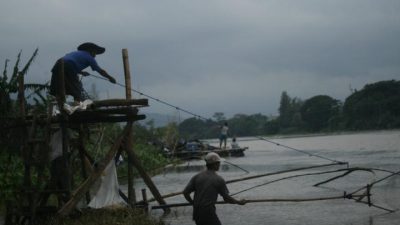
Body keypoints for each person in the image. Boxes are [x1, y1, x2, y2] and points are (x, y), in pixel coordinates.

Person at [183, 152, 246, 225]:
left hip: (196, 212)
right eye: (218, 163)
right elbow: (226, 199)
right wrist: (239, 202)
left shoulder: (197, 176)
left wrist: (193, 203)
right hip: (208, 213)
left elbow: (185, 192)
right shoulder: (218, 179)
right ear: (215, 164)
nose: (219, 165)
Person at [50, 42, 116, 102]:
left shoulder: (75, 53)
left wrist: (81, 72)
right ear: (91, 51)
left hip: (58, 64)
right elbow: (101, 71)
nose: (95, 55)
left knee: (58, 88)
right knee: (77, 89)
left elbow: (69, 63)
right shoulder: (90, 57)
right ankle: (77, 105)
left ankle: (58, 104)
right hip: (69, 65)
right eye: (95, 53)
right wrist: (110, 78)